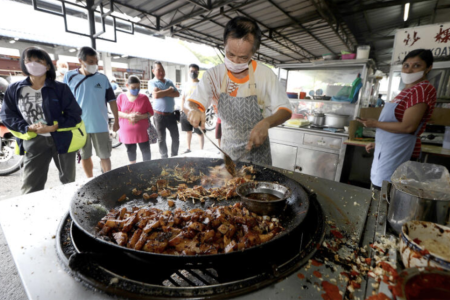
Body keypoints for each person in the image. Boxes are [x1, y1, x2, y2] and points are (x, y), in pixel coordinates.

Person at [186, 16, 292, 165]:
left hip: (259, 157)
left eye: (243, 57)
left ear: (255, 51)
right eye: (230, 54)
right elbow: (193, 103)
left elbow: (285, 110)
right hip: (229, 155)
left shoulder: (265, 75)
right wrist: (194, 110)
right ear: (224, 44)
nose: (235, 61)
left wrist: (267, 123)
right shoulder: (213, 76)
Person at [0, 46, 84, 194]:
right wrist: (27, 128)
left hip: (62, 139)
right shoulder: (15, 89)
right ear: (23, 63)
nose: (33, 63)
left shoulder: (60, 88)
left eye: (39, 60)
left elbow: (75, 114)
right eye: (29, 60)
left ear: (47, 65)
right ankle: (31, 214)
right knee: (31, 185)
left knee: (68, 182)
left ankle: (69, 214)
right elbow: (7, 115)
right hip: (34, 140)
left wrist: (54, 127)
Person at [358, 49, 436, 190]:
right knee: (379, 188)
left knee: (386, 192)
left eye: (416, 65)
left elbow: (408, 127)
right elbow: (396, 124)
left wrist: (375, 123)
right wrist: (380, 143)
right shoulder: (407, 90)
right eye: (406, 65)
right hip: (390, 148)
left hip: (400, 151)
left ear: (428, 68)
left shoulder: (422, 89)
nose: (409, 70)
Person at [64, 46, 119, 177]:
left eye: (96, 62)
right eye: (90, 61)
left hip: (100, 124)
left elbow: (112, 101)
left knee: (104, 155)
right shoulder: (69, 77)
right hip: (80, 126)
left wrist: (117, 120)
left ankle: (107, 179)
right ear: (80, 61)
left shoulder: (103, 78)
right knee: (85, 156)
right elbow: (64, 101)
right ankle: (90, 180)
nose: (94, 65)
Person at [117, 75, 153, 163]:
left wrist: (140, 117)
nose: (136, 89)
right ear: (127, 86)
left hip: (143, 132)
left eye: (138, 87)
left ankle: (147, 169)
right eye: (133, 87)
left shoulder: (144, 98)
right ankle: (133, 169)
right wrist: (128, 116)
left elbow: (151, 112)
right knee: (131, 151)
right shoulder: (121, 97)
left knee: (146, 151)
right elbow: (117, 112)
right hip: (127, 132)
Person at [148, 61, 180, 158]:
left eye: (162, 70)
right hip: (159, 116)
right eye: (159, 70)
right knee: (161, 139)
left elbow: (177, 94)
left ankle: (174, 156)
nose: (161, 72)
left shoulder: (169, 82)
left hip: (171, 115)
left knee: (176, 137)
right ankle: (164, 158)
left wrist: (162, 92)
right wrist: (169, 90)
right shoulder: (151, 82)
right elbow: (156, 95)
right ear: (153, 71)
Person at [180, 64, 204, 153]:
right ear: (188, 72)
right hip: (186, 112)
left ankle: (201, 150)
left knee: (200, 132)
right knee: (188, 131)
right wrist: (183, 110)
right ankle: (188, 148)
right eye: (191, 71)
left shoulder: (201, 84)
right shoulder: (186, 84)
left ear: (198, 72)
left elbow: (204, 99)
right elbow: (183, 98)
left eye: (195, 71)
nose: (193, 73)